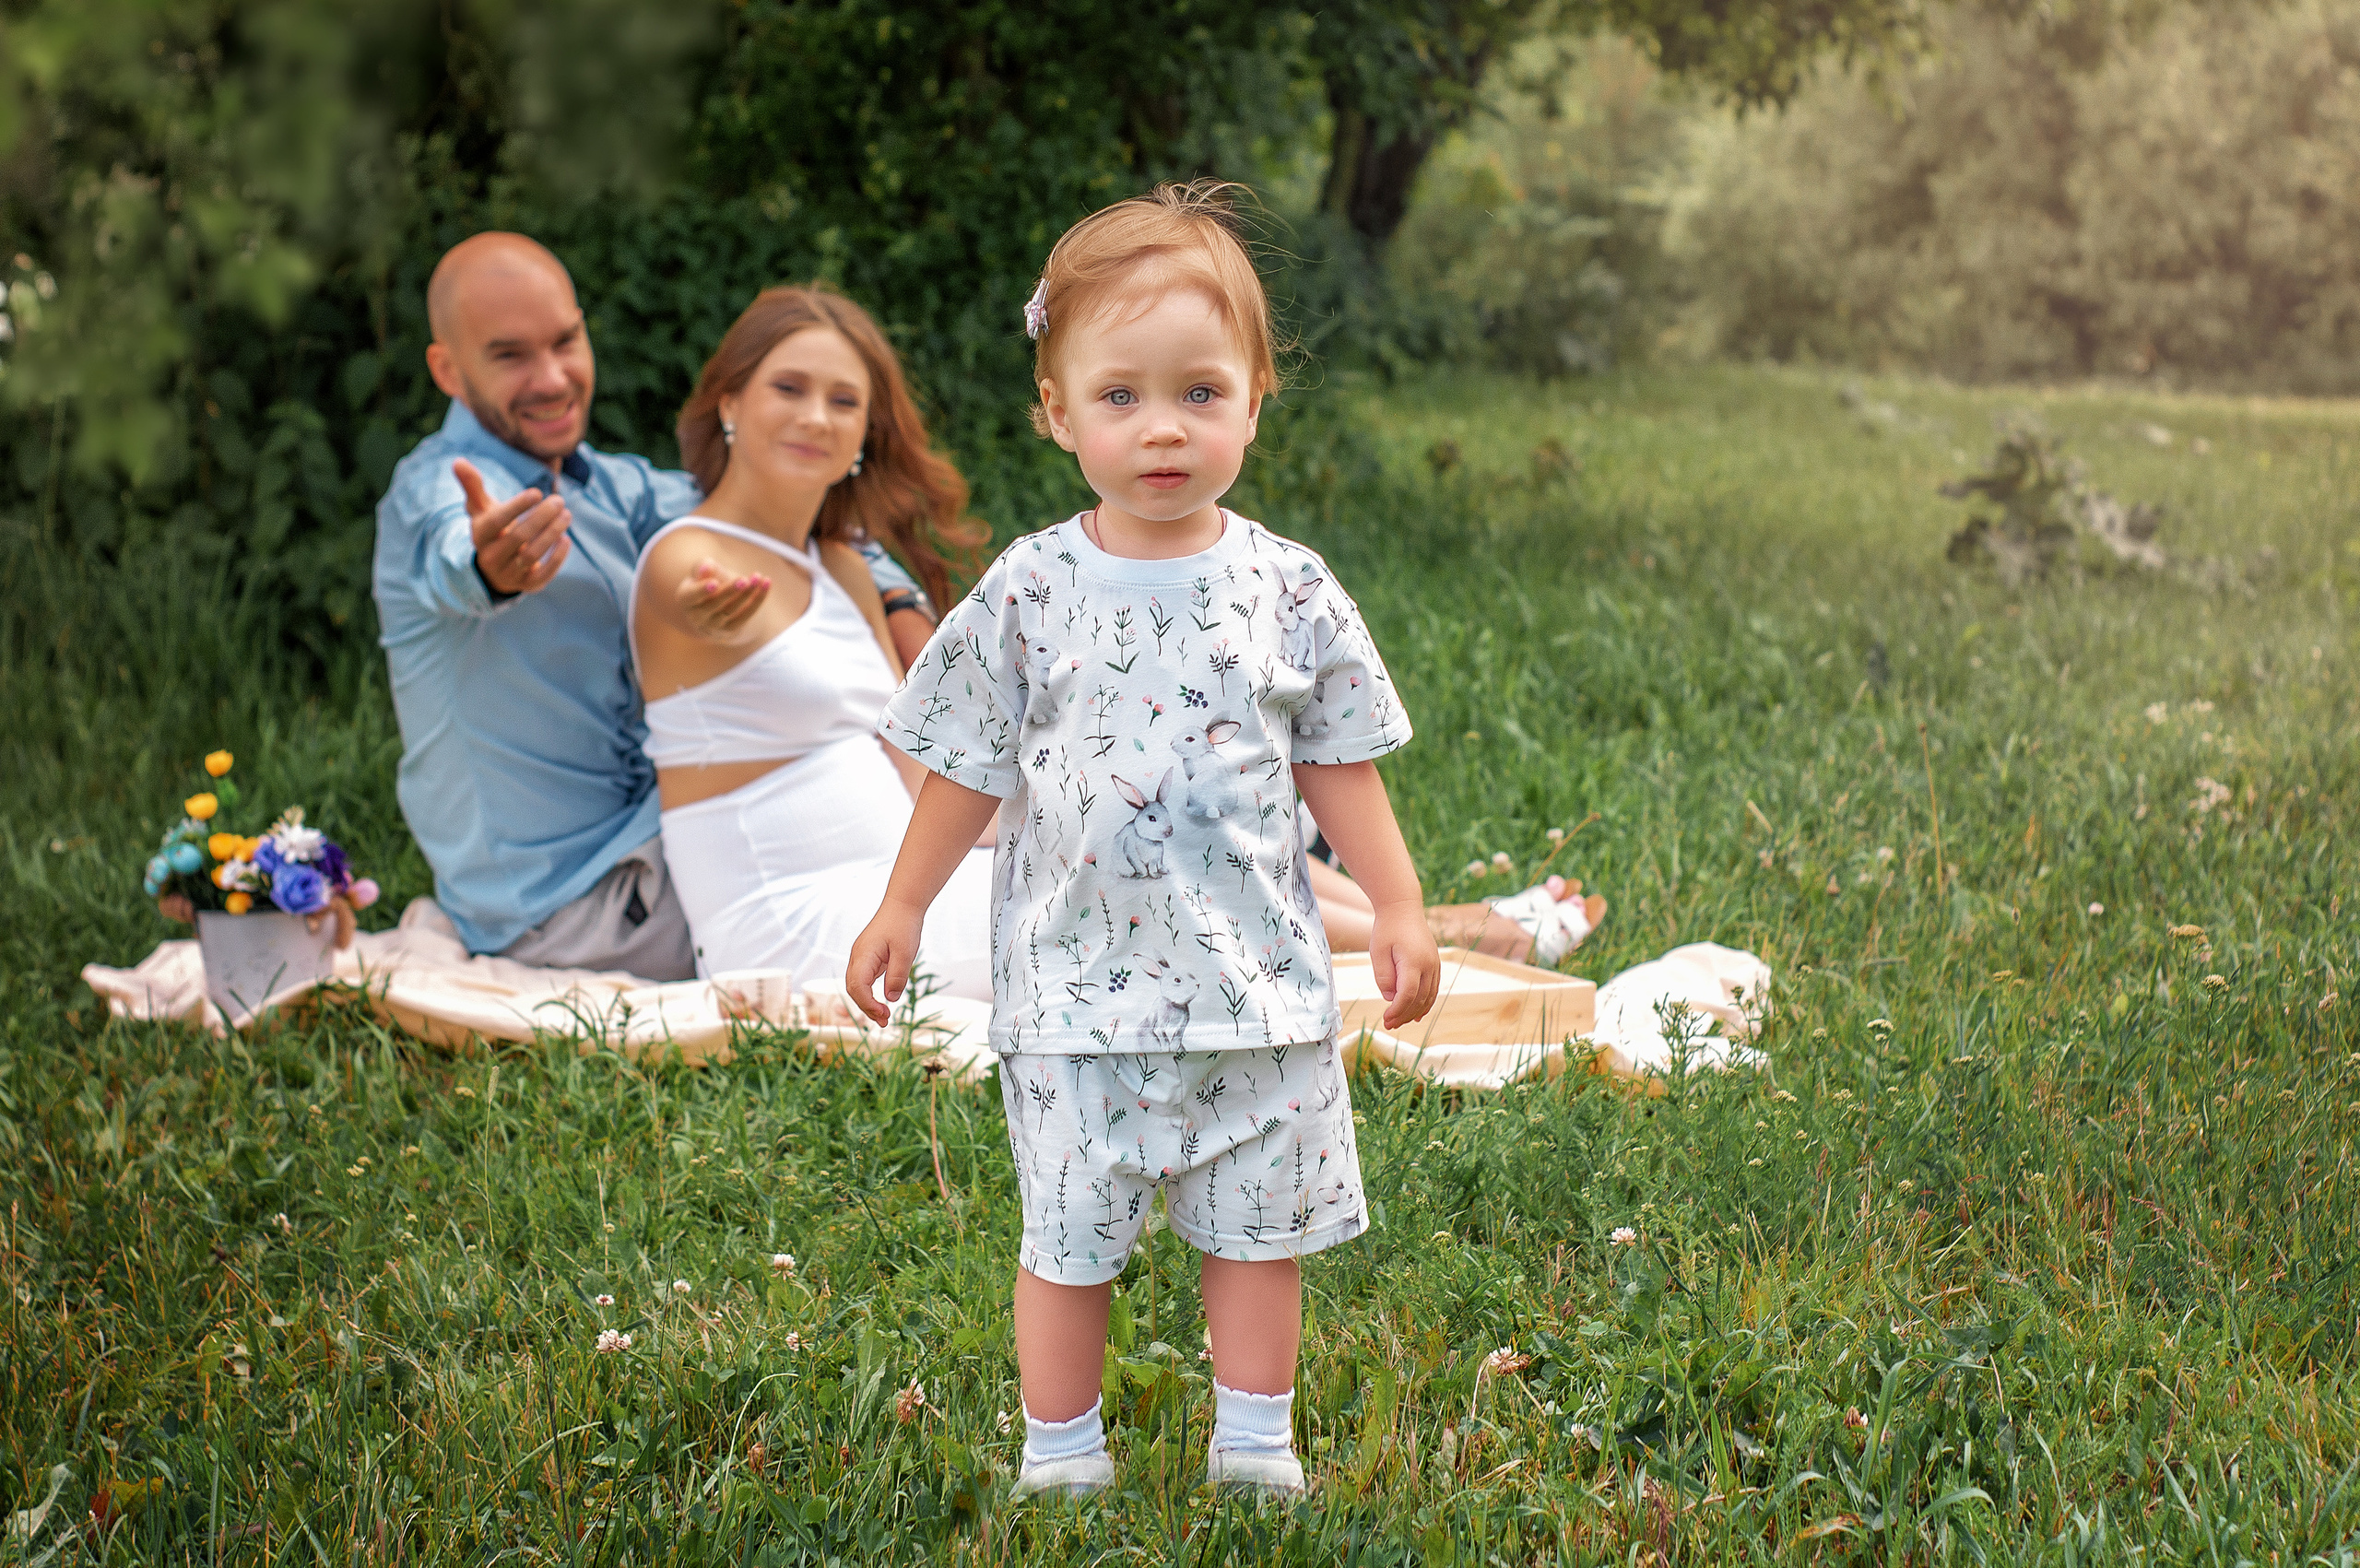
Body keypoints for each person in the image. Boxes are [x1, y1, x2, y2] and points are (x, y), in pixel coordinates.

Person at [845, 183, 1443, 1498]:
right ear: (1057, 412)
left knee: (1257, 1237)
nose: (1161, 428)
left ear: (1254, 396)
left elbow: (1339, 766)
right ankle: (1060, 1451)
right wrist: (902, 903)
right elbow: (962, 767)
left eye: (1199, 392)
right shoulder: (1030, 587)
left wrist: (1396, 906)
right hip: (1073, 997)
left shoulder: (1289, 588)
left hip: (1258, 992)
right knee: (1067, 1241)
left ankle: (1255, 1444)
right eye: (1120, 396)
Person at [372, 232, 939, 979]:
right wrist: (493, 567)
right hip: (576, 902)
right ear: (448, 369)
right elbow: (454, 556)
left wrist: (901, 606)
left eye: (566, 342)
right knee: (935, 897)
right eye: (510, 355)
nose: (551, 377)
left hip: (666, 844)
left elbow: (786, 511)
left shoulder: (614, 488)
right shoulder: (434, 493)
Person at [629, 285, 997, 993]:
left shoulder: (843, 569)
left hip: (898, 890)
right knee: (1098, 916)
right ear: (730, 403)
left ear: (864, 435)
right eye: (788, 388)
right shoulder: (683, 556)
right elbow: (681, 595)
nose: (815, 417)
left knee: (1131, 866)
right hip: (790, 926)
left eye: (843, 401)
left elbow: (909, 761)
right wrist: (699, 610)